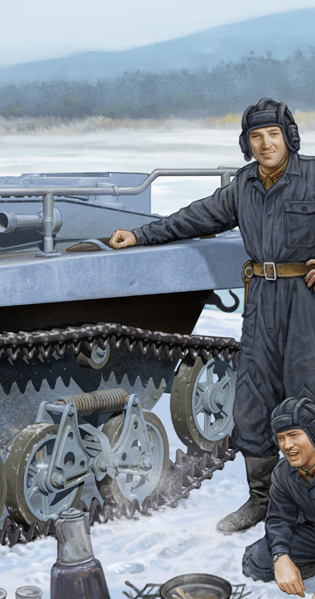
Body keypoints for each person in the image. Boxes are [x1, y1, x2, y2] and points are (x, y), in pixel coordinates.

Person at [110, 98, 315, 534]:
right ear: (247, 143)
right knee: (252, 401)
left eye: (273, 135)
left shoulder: (313, 176)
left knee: (305, 397)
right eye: (256, 137)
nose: (266, 144)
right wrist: (141, 235)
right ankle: (262, 499)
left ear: (289, 138)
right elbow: (197, 217)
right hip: (261, 298)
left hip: (306, 299)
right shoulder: (244, 185)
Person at [242, 397, 315, 596]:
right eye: (281, 438)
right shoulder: (284, 472)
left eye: (294, 435)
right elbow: (279, 518)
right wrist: (280, 557)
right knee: (256, 561)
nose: (287, 445)